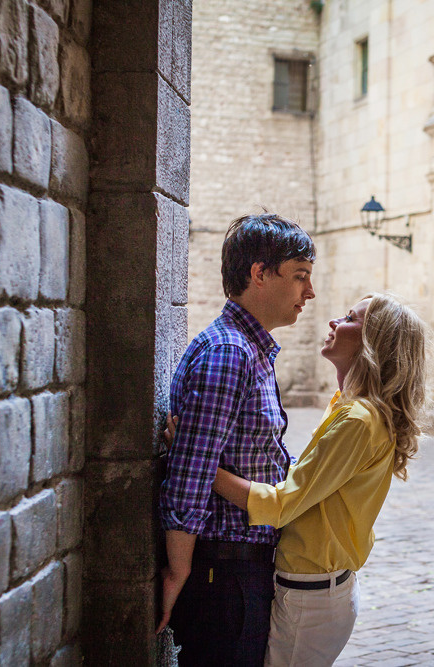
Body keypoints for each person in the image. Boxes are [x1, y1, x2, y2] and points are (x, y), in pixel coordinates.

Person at [211, 292, 431, 667]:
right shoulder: (346, 406)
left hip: (311, 597)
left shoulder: (358, 420)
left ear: (372, 344)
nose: (334, 322)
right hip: (314, 590)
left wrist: (203, 465)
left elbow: (281, 505)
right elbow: (311, 482)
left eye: (350, 318)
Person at [156, 213, 316, 667]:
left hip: (241, 569)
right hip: (223, 576)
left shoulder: (250, 349)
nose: (309, 292)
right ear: (259, 274)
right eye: (300, 276)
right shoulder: (230, 353)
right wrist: (177, 570)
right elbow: (190, 472)